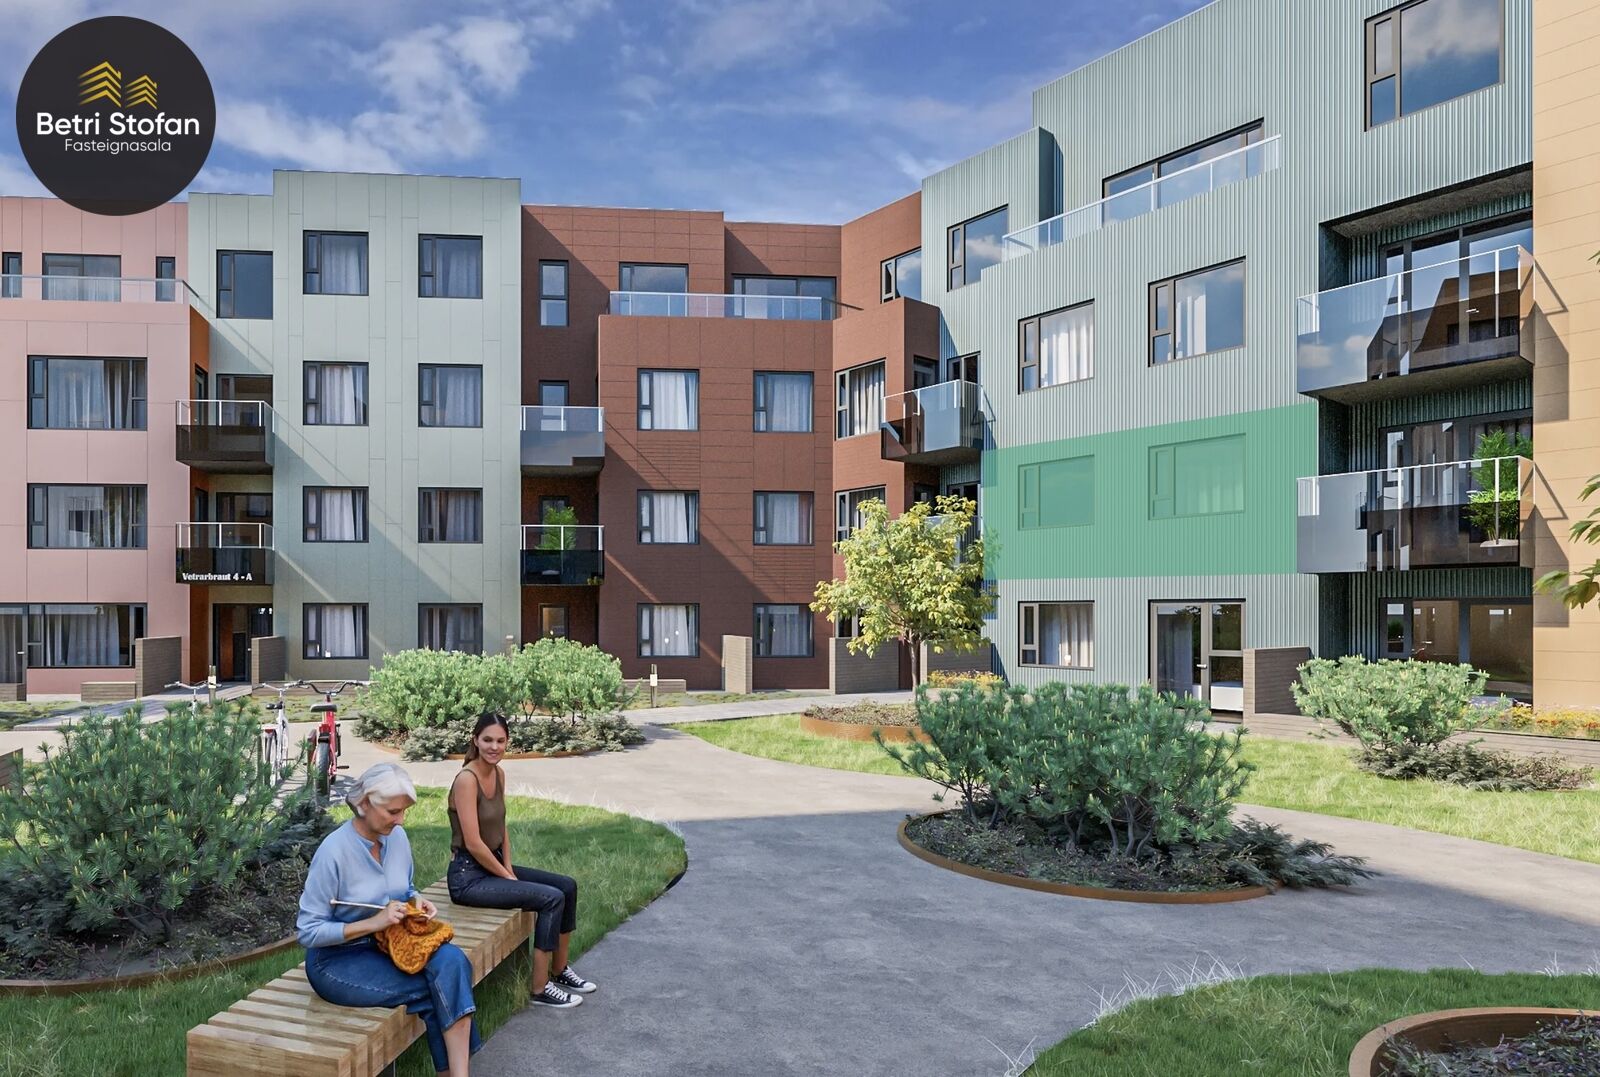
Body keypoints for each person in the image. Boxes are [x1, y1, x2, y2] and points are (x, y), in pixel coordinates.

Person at [298, 763, 479, 1076]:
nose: (401, 820)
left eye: (404, 811)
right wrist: (374, 923)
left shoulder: (397, 838)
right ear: (364, 804)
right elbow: (308, 932)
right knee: (439, 990)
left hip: (392, 943)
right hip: (337, 961)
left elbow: (404, 887)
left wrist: (415, 899)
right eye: (393, 811)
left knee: (454, 963)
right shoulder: (333, 852)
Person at [447, 713, 595, 1009]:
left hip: (493, 866)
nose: (494, 747)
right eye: (487, 740)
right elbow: (474, 843)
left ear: (507, 742)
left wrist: (508, 867)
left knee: (567, 886)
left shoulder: (498, 774)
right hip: (468, 878)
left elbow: (501, 828)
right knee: (551, 898)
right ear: (475, 740)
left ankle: (560, 970)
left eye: (500, 741)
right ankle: (540, 988)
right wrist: (506, 877)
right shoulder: (466, 780)